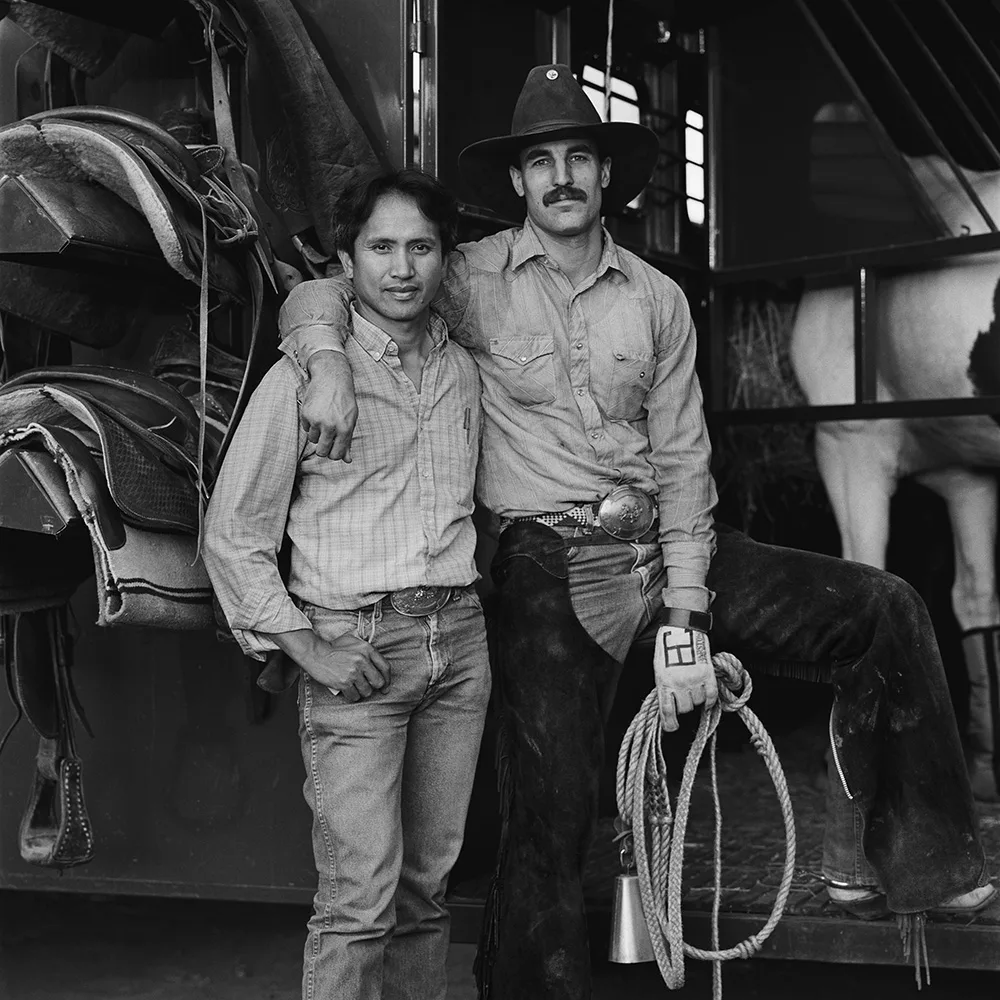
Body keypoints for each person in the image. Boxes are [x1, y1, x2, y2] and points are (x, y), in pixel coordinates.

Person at [277, 67, 997, 998]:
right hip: (546, 555)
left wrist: (689, 612)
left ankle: (918, 862)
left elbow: (686, 459)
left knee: (881, 608)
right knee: (550, 809)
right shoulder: (465, 279)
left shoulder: (657, 298)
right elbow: (329, 293)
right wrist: (325, 359)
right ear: (518, 183)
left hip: (664, 544)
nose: (562, 176)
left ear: (606, 175)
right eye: (542, 162)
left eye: (579, 156)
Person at [203, 168, 490, 1000]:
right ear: (347, 261)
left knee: (425, 891)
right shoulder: (306, 377)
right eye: (382, 248)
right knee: (358, 900)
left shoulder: (460, 371)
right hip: (355, 647)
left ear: (446, 259)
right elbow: (233, 534)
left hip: (459, 645)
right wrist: (304, 646)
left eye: (422, 248)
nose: (402, 268)